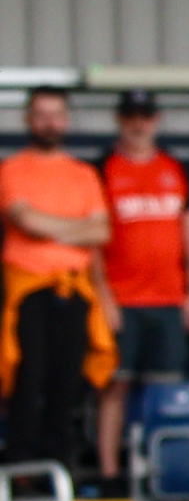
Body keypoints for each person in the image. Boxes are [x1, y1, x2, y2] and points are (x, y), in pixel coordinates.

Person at [1, 87, 116, 474]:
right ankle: (22, 469)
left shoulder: (83, 174)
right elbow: (25, 220)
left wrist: (50, 229)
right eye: (41, 115)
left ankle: (60, 465)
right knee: (27, 378)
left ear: (66, 120)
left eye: (56, 115)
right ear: (28, 120)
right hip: (28, 288)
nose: (49, 122)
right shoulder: (12, 170)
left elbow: (101, 232)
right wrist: (76, 228)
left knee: (69, 380)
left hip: (75, 287)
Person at [97, 90, 189, 483]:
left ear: (156, 120)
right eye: (131, 117)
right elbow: (93, 238)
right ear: (120, 121)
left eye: (145, 117)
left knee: (166, 389)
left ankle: (162, 472)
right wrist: (103, 295)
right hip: (122, 299)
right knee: (115, 386)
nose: (138, 125)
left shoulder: (176, 167)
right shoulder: (103, 168)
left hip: (169, 298)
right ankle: (109, 471)